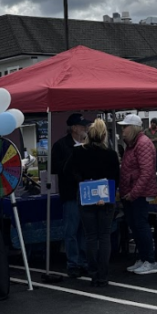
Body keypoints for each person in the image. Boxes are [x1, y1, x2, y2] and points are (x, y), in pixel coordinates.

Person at [65, 119, 120, 287]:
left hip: (86, 195)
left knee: (90, 237)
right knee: (104, 236)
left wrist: (82, 181)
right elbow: (116, 178)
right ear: (104, 135)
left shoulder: (78, 152)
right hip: (105, 197)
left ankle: (93, 271)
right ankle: (103, 274)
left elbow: (67, 171)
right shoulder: (110, 154)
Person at [118, 113, 157, 274]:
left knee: (141, 226)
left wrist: (133, 193)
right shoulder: (133, 144)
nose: (122, 130)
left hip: (138, 194)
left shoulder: (141, 144)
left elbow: (146, 172)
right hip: (132, 193)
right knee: (136, 226)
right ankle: (144, 258)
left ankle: (150, 260)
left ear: (133, 128)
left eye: (125, 127)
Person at [51, 113, 89, 277]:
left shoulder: (87, 145)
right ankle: (73, 263)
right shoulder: (61, 145)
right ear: (73, 128)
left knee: (84, 230)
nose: (85, 129)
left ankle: (84, 261)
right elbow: (55, 168)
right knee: (71, 230)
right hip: (71, 193)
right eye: (82, 126)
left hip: (87, 193)